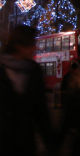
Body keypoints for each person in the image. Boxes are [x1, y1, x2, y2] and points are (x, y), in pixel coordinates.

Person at [0, 25, 53, 156]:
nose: (35, 48)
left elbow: (41, 112)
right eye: (31, 44)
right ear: (19, 46)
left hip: (25, 143)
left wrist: (50, 143)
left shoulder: (35, 71)